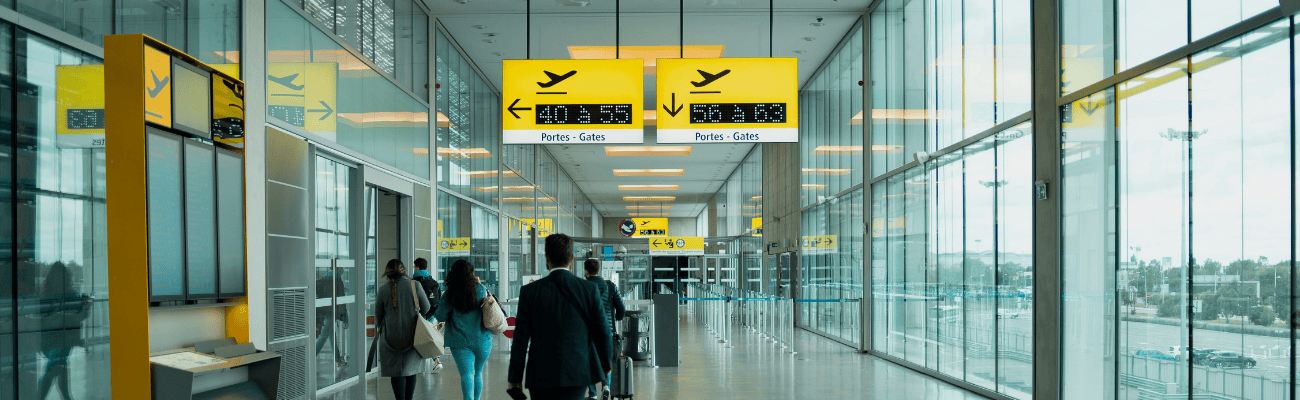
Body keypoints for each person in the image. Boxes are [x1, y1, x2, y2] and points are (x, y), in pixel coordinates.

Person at [508, 234, 611, 400]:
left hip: (541, 373)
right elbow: (602, 331)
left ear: (547, 258)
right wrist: (605, 365)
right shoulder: (588, 289)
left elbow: (520, 338)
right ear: (572, 257)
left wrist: (515, 377)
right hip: (577, 371)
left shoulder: (530, 291)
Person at [434, 259, 493, 400]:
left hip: (460, 341)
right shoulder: (481, 289)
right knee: (477, 373)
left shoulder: (450, 293)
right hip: (483, 340)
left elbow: (440, 316)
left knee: (467, 374)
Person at [375, 259, 430, 400]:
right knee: (411, 370)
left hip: (390, 338)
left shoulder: (383, 290)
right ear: (403, 270)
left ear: (387, 272)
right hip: (413, 336)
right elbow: (426, 308)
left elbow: (378, 317)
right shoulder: (415, 285)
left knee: (396, 372)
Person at [38, 262, 90, 400]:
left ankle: (66, 397)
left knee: (60, 366)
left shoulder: (46, 294)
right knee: (56, 367)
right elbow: (79, 316)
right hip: (62, 339)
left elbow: (43, 319)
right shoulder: (71, 294)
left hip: (50, 339)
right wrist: (84, 308)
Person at [582, 259, 625, 400]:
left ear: (586, 271)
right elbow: (621, 308)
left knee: (589, 360)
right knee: (606, 359)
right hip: (607, 329)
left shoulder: (583, 286)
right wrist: (615, 318)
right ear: (599, 270)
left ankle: (593, 394)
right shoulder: (610, 286)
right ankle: (606, 386)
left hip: (588, 330)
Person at [411, 257, 444, 373]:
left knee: (419, 338)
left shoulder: (414, 282)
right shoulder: (433, 281)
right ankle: (437, 361)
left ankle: (423, 365)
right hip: (431, 312)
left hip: (419, 313)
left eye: (414, 266)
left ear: (417, 267)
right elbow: (439, 298)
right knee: (428, 336)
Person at [315, 265, 349, 368]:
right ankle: (309, 358)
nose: (342, 269)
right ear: (337, 267)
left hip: (322, 312)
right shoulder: (337, 280)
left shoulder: (324, 278)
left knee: (331, 336)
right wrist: (345, 319)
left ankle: (338, 360)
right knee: (323, 336)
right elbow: (341, 301)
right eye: (341, 266)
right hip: (331, 313)